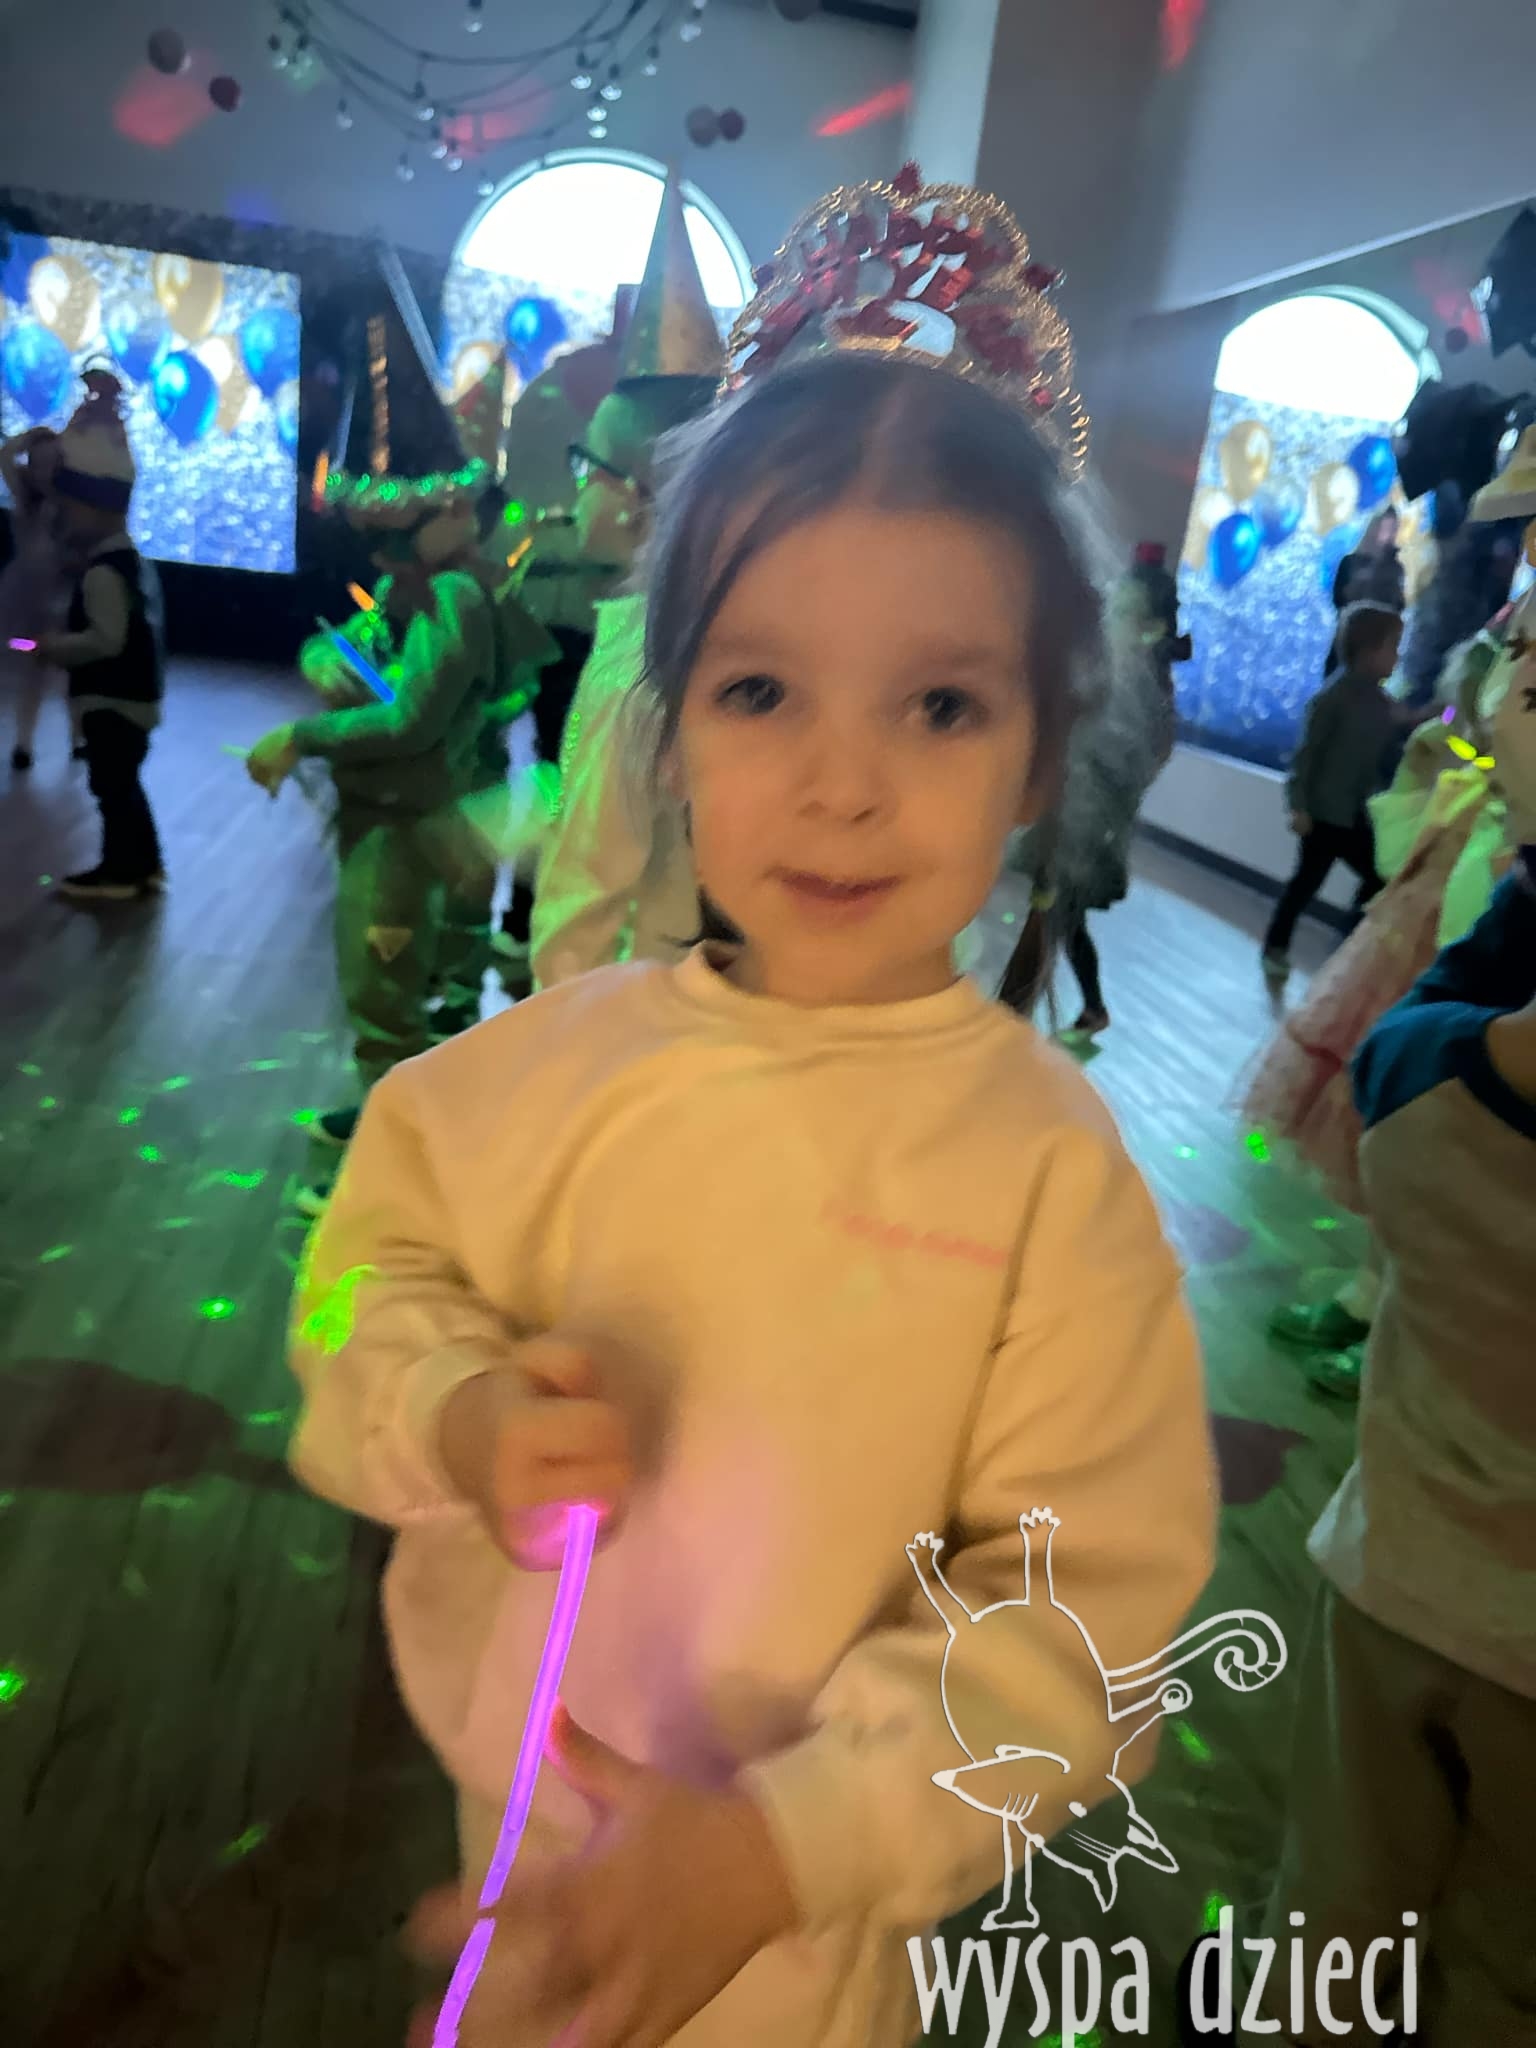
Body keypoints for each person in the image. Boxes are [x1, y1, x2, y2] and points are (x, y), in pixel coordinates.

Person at [289, 166, 1214, 2048]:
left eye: (939, 707)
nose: (842, 785)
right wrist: (455, 1405)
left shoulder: (1048, 1176)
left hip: (815, 1917)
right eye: (765, 689)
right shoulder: (523, 1084)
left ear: (1044, 749)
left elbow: (1091, 1603)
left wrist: (793, 1840)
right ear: (669, 717)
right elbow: (349, 1286)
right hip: (523, 1854)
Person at [1196, 848, 1536, 2046]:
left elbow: (1415, 1018)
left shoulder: (1434, 1086)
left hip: (1403, 1572)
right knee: (1509, 1957)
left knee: (1341, 1885)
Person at [247, 293, 503, 1174]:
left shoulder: (456, 598)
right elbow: (355, 640)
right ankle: (390, 1121)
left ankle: (393, 1164)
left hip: (410, 822)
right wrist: (327, 656)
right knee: (381, 971)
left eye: (392, 539)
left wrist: (303, 737)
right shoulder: (411, 585)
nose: (380, 561)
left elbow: (411, 717)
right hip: (384, 812)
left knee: (384, 974)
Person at [528, 169, 724, 988]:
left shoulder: (631, 668)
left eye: (591, 469)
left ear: (644, 492)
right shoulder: (731, 634)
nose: (579, 492)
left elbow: (580, 914)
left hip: (643, 1014)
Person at [32, 382, 166, 902]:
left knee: (110, 786)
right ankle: (145, 864)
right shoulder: (130, 562)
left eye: (70, 510)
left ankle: (119, 871)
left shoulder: (102, 573)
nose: (64, 520)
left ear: (94, 510)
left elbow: (106, 641)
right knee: (123, 784)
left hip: (114, 701)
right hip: (135, 700)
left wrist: (56, 647)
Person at [1262, 602, 1404, 977]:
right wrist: (1298, 806)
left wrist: (1450, 713)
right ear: (1367, 650)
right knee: (1306, 884)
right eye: (1392, 646)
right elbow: (1306, 756)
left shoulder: (1381, 701)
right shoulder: (1332, 699)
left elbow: (1408, 721)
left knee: (1379, 876)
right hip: (1323, 814)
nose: (1397, 656)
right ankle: (1276, 946)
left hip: (1356, 813)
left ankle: (1347, 943)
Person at [1, 423, 78, 772]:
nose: (43, 469)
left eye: (50, 462)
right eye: (37, 461)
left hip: (60, 594)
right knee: (31, 661)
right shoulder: (23, 494)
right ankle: (24, 743)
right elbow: (4, 455)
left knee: (68, 668)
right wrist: (31, 437)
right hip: (23, 596)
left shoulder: (69, 502)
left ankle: (76, 737)